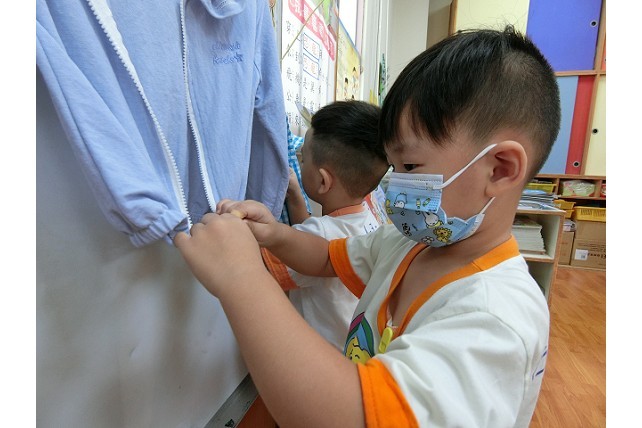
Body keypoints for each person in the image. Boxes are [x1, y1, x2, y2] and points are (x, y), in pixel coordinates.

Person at [174, 26, 561, 427]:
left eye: (410, 165)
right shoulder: (408, 243)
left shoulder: (495, 317)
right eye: (394, 166)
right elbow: (327, 256)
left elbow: (358, 416)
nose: (393, 183)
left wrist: (241, 278)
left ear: (500, 169)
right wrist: (275, 232)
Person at [264, 101, 389, 351]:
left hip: (319, 356)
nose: (299, 163)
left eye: (302, 159)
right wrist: (296, 198)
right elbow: (311, 245)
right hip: (354, 350)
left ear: (323, 181)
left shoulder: (324, 232)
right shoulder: (371, 214)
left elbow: (263, 262)